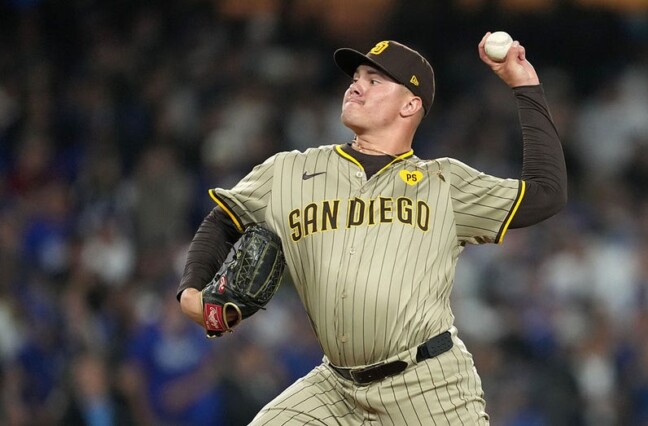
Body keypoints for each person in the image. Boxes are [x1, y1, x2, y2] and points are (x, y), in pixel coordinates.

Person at [177, 33, 567, 425]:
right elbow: (223, 220)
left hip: (427, 386)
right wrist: (191, 292)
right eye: (356, 76)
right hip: (335, 389)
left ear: (410, 104)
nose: (357, 84)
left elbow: (547, 193)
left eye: (375, 80)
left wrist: (524, 85)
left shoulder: (444, 184)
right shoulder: (288, 172)